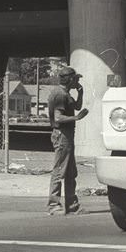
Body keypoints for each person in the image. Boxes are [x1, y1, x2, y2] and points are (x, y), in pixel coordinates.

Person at [46, 65, 89, 215]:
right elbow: (58, 117)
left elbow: (77, 106)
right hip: (62, 135)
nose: (77, 81)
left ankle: (72, 205)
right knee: (59, 171)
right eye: (76, 78)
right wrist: (76, 118)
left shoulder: (66, 94)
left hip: (68, 136)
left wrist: (80, 92)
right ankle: (53, 205)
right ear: (70, 79)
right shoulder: (59, 94)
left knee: (71, 172)